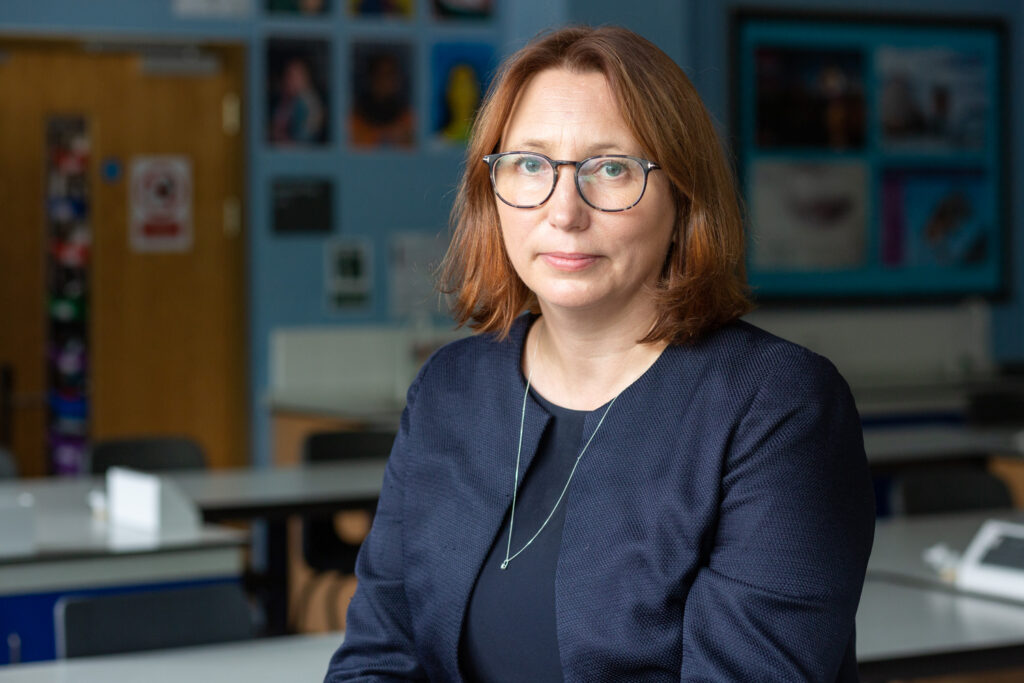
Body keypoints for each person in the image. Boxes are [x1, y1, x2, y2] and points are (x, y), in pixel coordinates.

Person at [325, 25, 874, 681]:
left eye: (611, 168)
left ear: (683, 194)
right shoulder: (449, 389)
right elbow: (377, 658)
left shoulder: (776, 405)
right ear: (491, 189)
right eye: (530, 164)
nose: (564, 210)